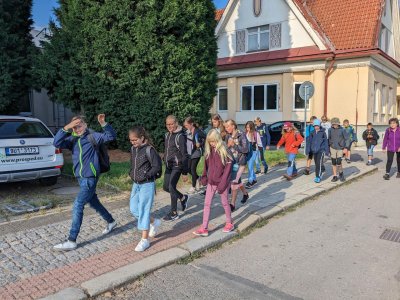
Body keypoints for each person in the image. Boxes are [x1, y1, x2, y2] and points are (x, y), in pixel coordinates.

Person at [53, 114, 117, 251]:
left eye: (79, 125)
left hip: (90, 177)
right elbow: (56, 143)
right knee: (93, 202)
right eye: (75, 127)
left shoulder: (93, 136)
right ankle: (111, 221)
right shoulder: (72, 139)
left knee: (78, 204)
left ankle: (71, 240)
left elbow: (111, 136)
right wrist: (67, 128)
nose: (77, 128)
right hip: (80, 178)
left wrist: (103, 123)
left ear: (85, 125)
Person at [193, 129, 234, 237]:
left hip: (222, 182)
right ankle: (204, 228)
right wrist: (204, 178)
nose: (212, 143)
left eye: (214, 141)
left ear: (218, 139)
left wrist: (223, 183)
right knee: (207, 204)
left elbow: (228, 169)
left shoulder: (225, 151)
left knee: (225, 203)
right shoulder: (209, 151)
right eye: (210, 141)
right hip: (211, 182)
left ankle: (229, 223)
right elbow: (206, 167)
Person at [128, 126, 162, 252]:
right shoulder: (133, 149)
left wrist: (147, 175)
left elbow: (157, 167)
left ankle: (145, 240)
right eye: (131, 140)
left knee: (143, 209)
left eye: (135, 140)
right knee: (133, 209)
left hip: (147, 184)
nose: (133, 142)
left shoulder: (149, 150)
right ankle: (153, 221)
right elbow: (132, 163)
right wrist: (131, 172)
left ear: (142, 138)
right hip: (136, 184)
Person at [163, 115, 189, 221]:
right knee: (166, 187)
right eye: (168, 124)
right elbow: (168, 150)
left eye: (172, 124)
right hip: (169, 165)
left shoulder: (180, 136)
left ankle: (174, 213)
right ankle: (183, 198)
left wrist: (185, 172)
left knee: (171, 186)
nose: (169, 126)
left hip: (177, 165)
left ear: (176, 123)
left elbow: (185, 154)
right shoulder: (166, 135)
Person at [224, 119, 250, 212]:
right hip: (232, 162)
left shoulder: (241, 135)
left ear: (233, 126)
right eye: (225, 127)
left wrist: (234, 145)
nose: (226, 129)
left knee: (234, 182)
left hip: (240, 162)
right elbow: (226, 149)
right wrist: (228, 146)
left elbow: (245, 149)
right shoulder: (227, 135)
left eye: (227, 126)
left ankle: (232, 204)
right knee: (237, 180)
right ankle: (245, 193)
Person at [183, 117, 206, 194]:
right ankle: (198, 178)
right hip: (189, 153)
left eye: (186, 125)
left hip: (196, 152)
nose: (185, 127)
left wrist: (200, 144)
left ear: (191, 124)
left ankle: (193, 187)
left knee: (192, 169)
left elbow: (206, 138)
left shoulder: (198, 132)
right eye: (185, 125)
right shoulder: (186, 132)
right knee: (188, 169)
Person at [328, 117, 350, 182]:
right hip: (332, 147)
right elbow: (329, 138)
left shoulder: (342, 130)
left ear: (338, 124)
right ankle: (335, 176)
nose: (334, 125)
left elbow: (347, 139)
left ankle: (341, 173)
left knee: (339, 162)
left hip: (340, 148)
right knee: (333, 162)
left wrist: (346, 148)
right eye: (333, 124)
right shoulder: (330, 130)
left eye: (336, 124)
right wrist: (329, 145)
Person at [245, 121, 262, 188]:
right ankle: (254, 179)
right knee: (250, 166)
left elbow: (260, 144)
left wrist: (261, 153)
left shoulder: (255, 134)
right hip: (247, 152)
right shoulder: (246, 133)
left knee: (250, 166)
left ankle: (250, 181)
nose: (247, 129)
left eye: (248, 127)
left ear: (252, 127)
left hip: (254, 151)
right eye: (246, 127)